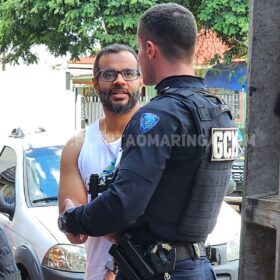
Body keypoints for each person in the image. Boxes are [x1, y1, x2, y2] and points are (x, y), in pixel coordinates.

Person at [58, 3, 238, 280]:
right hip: (198, 265)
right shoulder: (220, 113)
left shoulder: (157, 116)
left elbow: (123, 206)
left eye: (140, 51)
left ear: (150, 50)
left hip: (157, 268)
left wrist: (71, 217)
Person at [58, 44, 142, 280]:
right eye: (109, 74)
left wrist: (102, 219)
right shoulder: (77, 147)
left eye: (128, 73)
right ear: (96, 83)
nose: (119, 81)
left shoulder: (159, 138)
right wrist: (76, 222)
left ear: (141, 81)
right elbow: (74, 230)